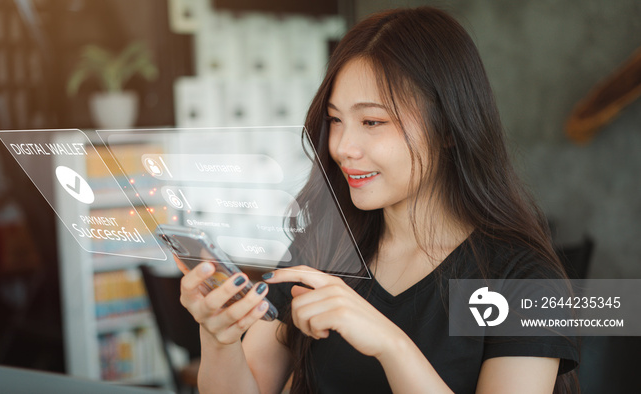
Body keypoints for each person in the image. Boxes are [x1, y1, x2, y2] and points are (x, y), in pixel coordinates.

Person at [177, 7, 579, 393]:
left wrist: (391, 345)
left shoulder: (524, 277)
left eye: (372, 122)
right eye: (336, 120)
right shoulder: (323, 245)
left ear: (450, 127)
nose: (343, 147)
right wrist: (219, 338)